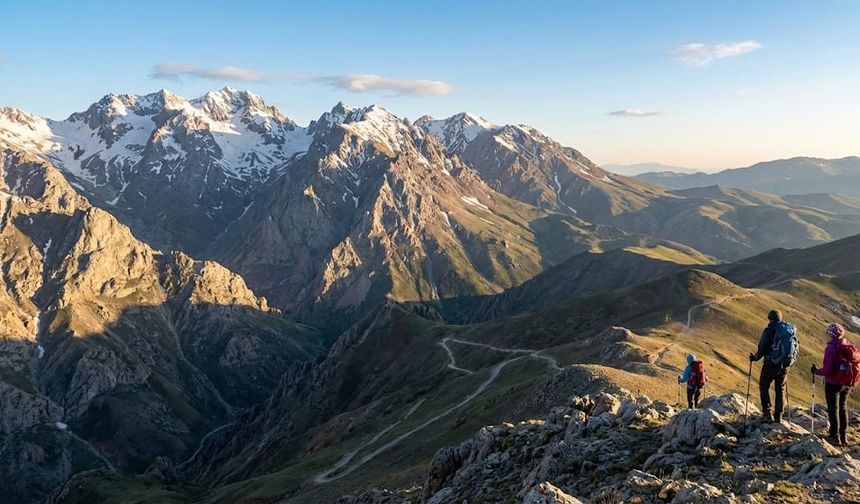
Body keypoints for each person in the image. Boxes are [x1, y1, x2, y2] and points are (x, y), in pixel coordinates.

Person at [749, 309, 798, 423]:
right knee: (780, 389)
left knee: (764, 386)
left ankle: (767, 413)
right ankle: (778, 416)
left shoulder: (769, 330)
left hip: (771, 363)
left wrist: (754, 358)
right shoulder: (789, 329)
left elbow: (762, 349)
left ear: (770, 318)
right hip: (786, 364)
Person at [812, 323, 856, 446]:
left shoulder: (831, 348)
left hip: (833, 383)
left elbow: (828, 369)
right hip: (846, 382)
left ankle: (834, 437)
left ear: (831, 335)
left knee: (833, 409)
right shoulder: (847, 345)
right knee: (842, 408)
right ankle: (844, 437)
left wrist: (816, 371)